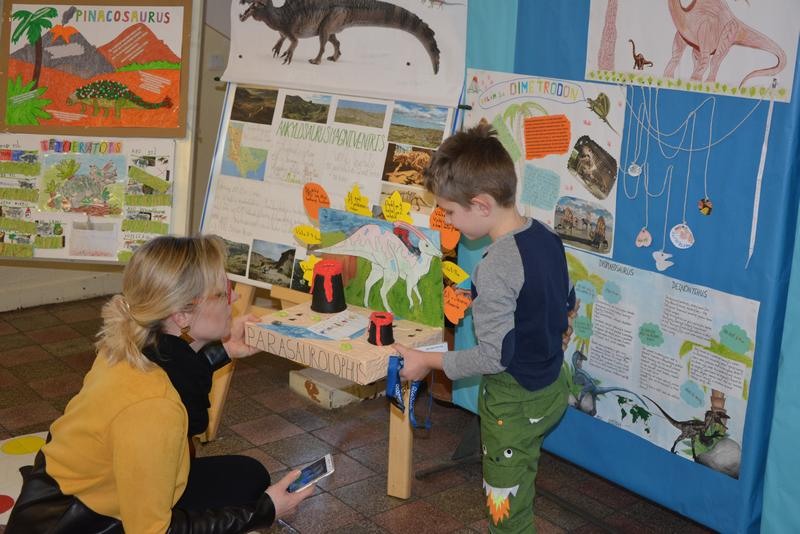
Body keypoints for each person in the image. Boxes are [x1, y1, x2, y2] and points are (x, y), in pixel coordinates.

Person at [6, 235, 313, 533]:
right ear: (181, 315)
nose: (233, 299)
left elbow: (179, 370)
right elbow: (153, 531)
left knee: (248, 477)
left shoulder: (129, 344)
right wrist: (265, 512)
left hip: (75, 497)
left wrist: (224, 350)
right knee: (252, 500)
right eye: (222, 293)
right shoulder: (154, 408)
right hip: (78, 522)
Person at [395, 123, 577, 532]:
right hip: (551, 387)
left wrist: (425, 360)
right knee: (522, 475)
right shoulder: (546, 235)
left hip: (514, 403)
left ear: (480, 205)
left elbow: (494, 357)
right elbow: (567, 300)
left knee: (505, 509)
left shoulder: (494, 267)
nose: (449, 222)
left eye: (450, 212)